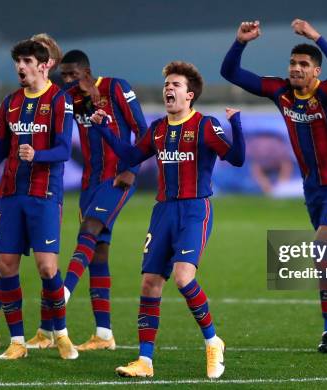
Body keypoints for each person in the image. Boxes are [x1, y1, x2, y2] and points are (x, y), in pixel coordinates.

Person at [221, 19, 327, 353]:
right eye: (293, 63)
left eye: (304, 65)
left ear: (316, 71)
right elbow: (231, 73)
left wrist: (317, 37)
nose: (296, 69)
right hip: (313, 189)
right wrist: (240, 42)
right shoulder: (280, 91)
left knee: (322, 249)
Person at [89, 61, 245, 378]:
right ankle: (145, 361)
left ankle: (214, 342)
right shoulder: (159, 129)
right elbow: (132, 156)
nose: (168, 89)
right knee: (149, 284)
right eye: (166, 85)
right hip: (163, 211)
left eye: (175, 85)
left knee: (183, 278)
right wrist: (103, 128)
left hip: (194, 210)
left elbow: (237, 158)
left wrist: (237, 124)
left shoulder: (205, 125)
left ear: (190, 95)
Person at [0, 39, 76, 360]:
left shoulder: (59, 101)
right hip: (11, 195)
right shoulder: (11, 102)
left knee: (46, 266)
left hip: (44, 195)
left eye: (26, 61)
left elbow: (64, 149)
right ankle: (16, 341)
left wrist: (37, 154)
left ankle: (61, 334)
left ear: (44, 65)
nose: (20, 67)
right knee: (4, 263)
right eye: (18, 62)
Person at [25, 49, 147, 351]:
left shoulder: (116, 87)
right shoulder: (67, 98)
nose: (67, 80)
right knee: (99, 252)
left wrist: (132, 168)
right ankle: (104, 335)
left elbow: (143, 130)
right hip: (89, 182)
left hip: (118, 176)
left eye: (72, 74)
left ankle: (62, 295)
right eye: (63, 75)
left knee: (89, 229)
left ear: (87, 71)